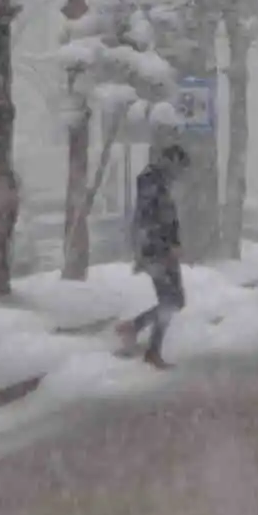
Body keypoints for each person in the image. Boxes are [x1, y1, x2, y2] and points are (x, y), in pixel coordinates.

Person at [115, 144, 191, 368]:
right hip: (157, 252)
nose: (180, 175)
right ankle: (150, 349)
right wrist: (162, 248)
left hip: (162, 251)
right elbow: (149, 220)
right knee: (171, 301)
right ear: (171, 162)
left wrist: (174, 244)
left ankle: (136, 329)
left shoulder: (160, 183)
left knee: (174, 300)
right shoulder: (152, 182)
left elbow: (166, 220)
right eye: (180, 168)